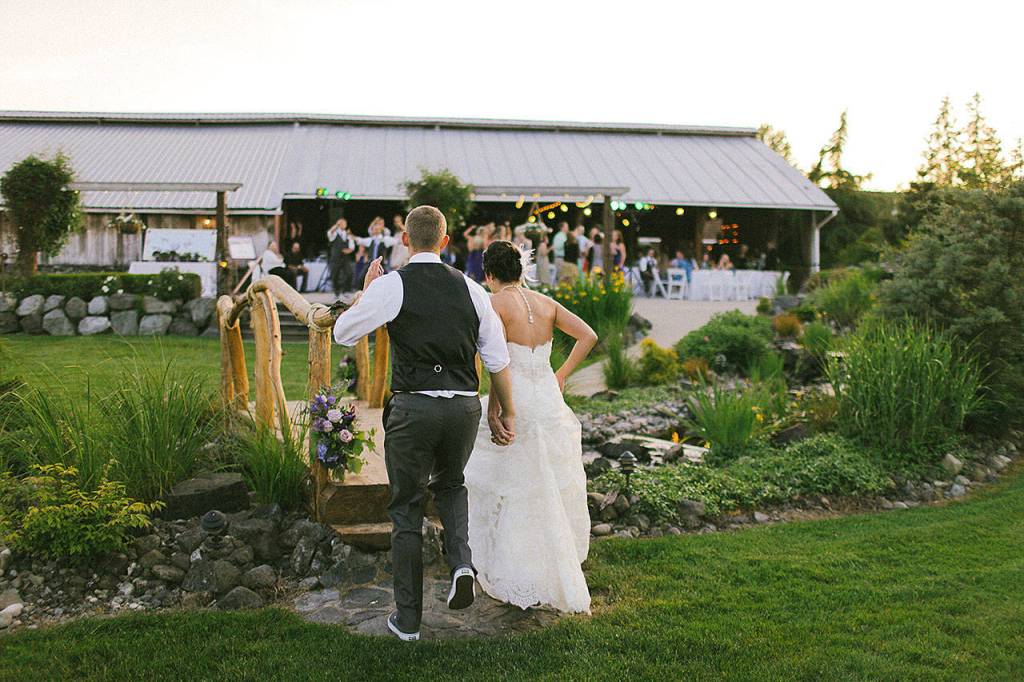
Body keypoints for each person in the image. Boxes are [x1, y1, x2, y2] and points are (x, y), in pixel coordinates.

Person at [332, 205, 516, 642]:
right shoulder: (473, 290)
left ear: (405, 241)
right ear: (446, 241)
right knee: (451, 486)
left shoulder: (393, 284)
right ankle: (462, 565)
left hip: (414, 408)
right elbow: (497, 358)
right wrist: (505, 410)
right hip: (462, 408)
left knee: (406, 508)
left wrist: (367, 292)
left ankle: (409, 620)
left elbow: (343, 333)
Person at [465, 240, 597, 614]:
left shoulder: (494, 304)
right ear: (520, 271)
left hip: (517, 401)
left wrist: (496, 409)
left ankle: (513, 566)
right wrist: (560, 374)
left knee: (510, 483)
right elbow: (588, 335)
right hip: (547, 400)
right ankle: (554, 557)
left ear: (489, 275)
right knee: (546, 481)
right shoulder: (545, 303)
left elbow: (497, 363)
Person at [327, 218, 355, 295]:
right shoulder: (335, 233)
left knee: (349, 273)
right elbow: (330, 233)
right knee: (335, 275)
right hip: (336, 257)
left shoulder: (347, 234)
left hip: (345, 258)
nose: (343, 225)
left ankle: (345, 290)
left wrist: (348, 250)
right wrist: (336, 225)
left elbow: (352, 246)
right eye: (341, 223)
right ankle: (337, 291)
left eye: (344, 223)